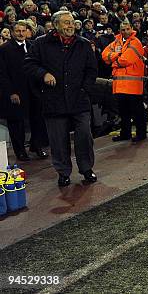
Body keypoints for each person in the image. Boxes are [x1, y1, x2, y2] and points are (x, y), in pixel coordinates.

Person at [24, 10, 98, 187]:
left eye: (72, 21)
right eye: (66, 22)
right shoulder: (41, 44)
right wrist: (43, 74)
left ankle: (87, 169)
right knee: (58, 140)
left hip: (79, 100)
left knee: (84, 136)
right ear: (56, 25)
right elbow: (29, 64)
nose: (70, 25)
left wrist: (84, 90)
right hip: (53, 100)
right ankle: (63, 172)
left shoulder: (84, 44)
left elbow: (91, 70)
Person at [0, 21, 49, 161]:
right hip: (16, 92)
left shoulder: (33, 45)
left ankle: (37, 147)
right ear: (12, 32)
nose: (21, 33)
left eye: (23, 30)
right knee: (17, 123)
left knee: (38, 119)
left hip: (34, 90)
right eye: (18, 31)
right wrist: (11, 92)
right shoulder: (4, 49)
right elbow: (2, 74)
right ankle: (20, 151)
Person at [101, 20, 147, 143]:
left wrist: (113, 62)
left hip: (133, 84)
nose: (125, 32)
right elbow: (104, 55)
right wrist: (118, 55)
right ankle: (125, 133)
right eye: (123, 30)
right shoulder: (117, 42)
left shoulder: (135, 42)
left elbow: (126, 60)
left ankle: (141, 134)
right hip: (120, 85)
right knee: (123, 112)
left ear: (131, 29)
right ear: (120, 30)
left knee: (137, 111)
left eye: (127, 29)